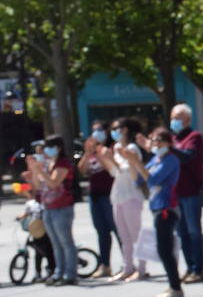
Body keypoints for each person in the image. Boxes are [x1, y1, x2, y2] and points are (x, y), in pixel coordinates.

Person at [131, 127, 184, 297]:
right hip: (156, 205)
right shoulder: (155, 159)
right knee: (163, 249)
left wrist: (137, 163)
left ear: (169, 143)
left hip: (166, 208)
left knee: (165, 249)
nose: (156, 144)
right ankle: (173, 285)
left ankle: (175, 287)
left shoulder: (171, 160)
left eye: (160, 140)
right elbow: (139, 179)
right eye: (153, 140)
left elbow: (153, 179)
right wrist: (132, 162)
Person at [99, 118, 149, 282]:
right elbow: (115, 173)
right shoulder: (117, 148)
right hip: (118, 196)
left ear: (125, 130)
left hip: (131, 195)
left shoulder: (132, 148)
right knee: (124, 235)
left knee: (135, 234)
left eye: (116, 129)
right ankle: (127, 267)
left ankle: (141, 269)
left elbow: (131, 173)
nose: (113, 132)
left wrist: (113, 159)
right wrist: (107, 159)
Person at [28, 136, 77, 287]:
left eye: (49, 147)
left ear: (58, 148)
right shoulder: (48, 164)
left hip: (62, 207)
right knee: (56, 243)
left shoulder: (63, 164)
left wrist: (40, 171)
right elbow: (37, 186)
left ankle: (70, 274)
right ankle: (58, 272)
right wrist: (34, 171)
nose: (46, 150)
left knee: (66, 242)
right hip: (48, 208)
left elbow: (54, 183)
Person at [168, 104, 203, 286]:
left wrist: (170, 148)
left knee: (194, 232)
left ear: (188, 120)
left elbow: (188, 156)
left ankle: (198, 269)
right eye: (173, 118)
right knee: (182, 233)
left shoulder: (194, 137)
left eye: (178, 118)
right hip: (176, 194)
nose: (174, 121)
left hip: (191, 192)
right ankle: (190, 267)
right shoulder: (173, 139)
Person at [79, 120, 116, 278]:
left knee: (118, 230)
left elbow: (112, 169)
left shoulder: (110, 149)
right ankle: (105, 265)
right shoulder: (91, 152)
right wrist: (88, 154)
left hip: (110, 194)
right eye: (94, 130)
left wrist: (99, 154)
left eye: (99, 130)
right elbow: (82, 171)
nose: (96, 133)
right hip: (95, 195)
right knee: (102, 232)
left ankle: (129, 264)